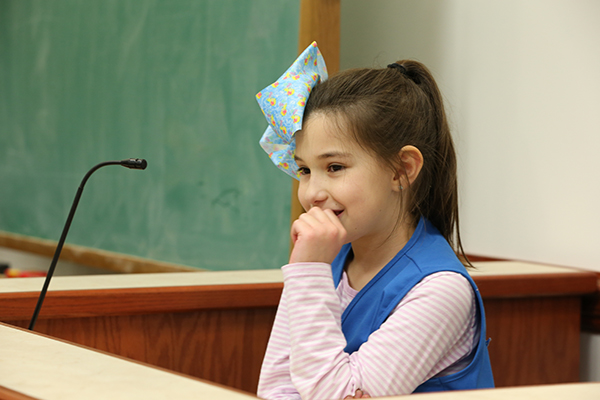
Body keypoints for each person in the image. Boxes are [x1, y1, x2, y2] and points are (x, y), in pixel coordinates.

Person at [255, 43, 494, 400]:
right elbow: (277, 388)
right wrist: (309, 270)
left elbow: (338, 395)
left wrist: (306, 272)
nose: (311, 193)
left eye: (334, 167)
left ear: (402, 169)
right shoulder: (328, 257)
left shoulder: (441, 290)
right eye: (305, 170)